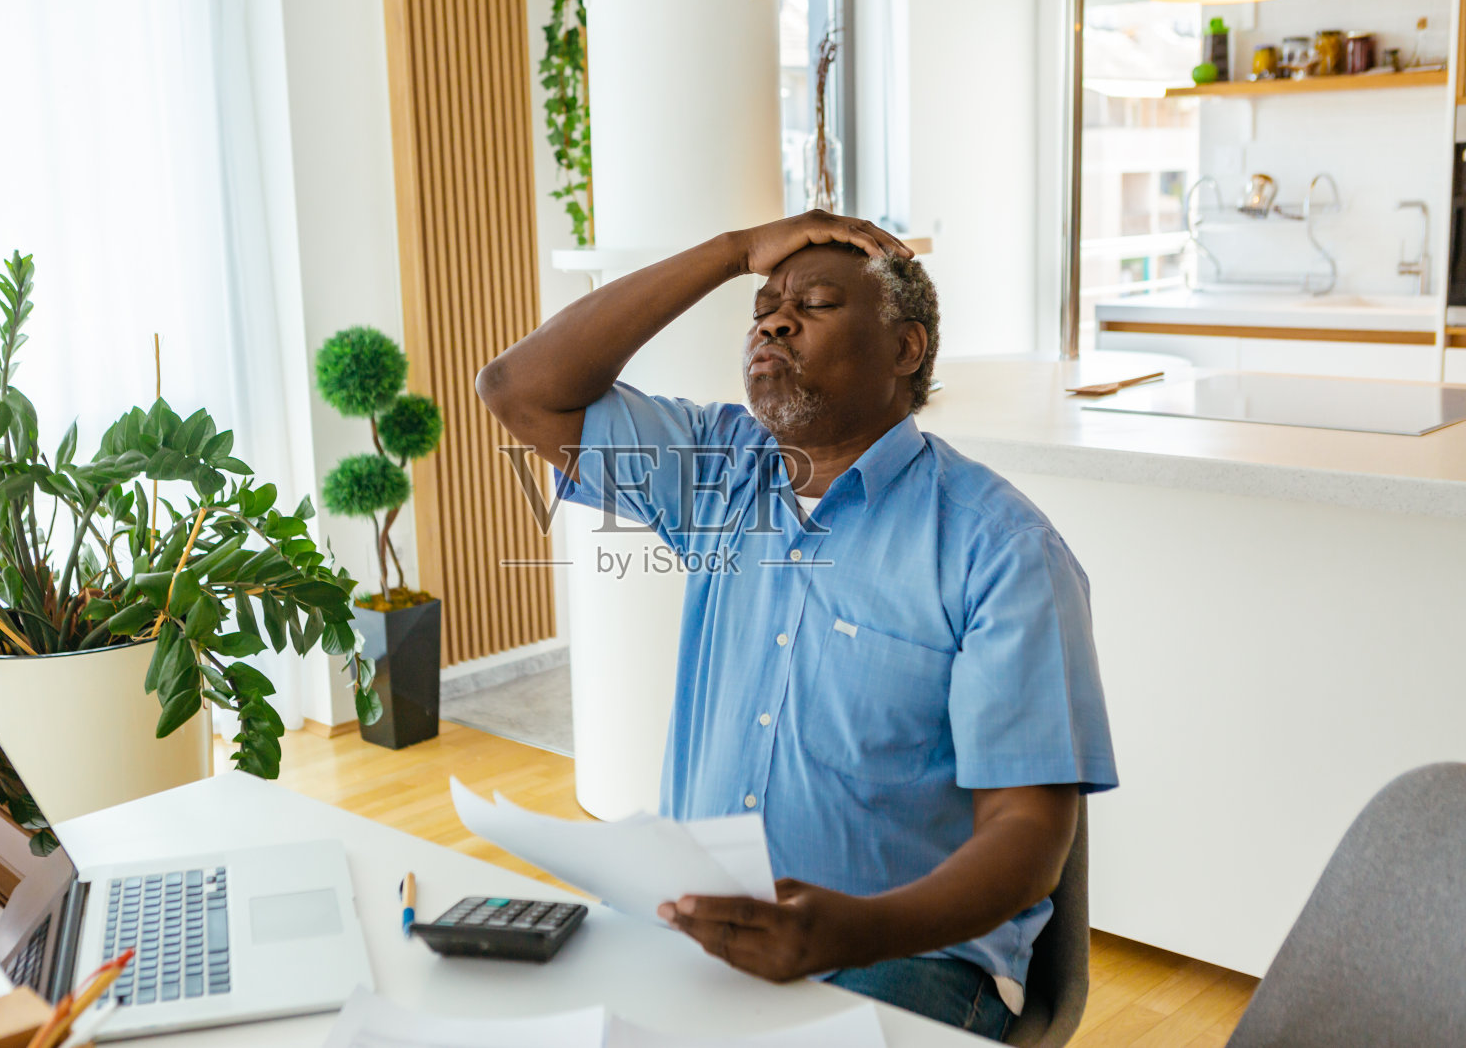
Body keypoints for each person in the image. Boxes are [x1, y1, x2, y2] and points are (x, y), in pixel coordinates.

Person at [475, 210, 1118, 1040]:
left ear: (905, 350)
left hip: (905, 956)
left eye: (813, 303)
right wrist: (731, 250)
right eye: (763, 308)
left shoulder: (1001, 548)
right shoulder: (718, 471)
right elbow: (517, 390)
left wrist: (850, 928)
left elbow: (1029, 833)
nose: (775, 319)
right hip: (695, 926)